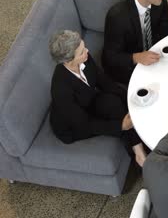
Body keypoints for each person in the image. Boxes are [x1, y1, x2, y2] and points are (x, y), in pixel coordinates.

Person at [49, 30, 147, 167]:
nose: (87, 51)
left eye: (84, 47)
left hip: (86, 103)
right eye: (82, 52)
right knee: (119, 121)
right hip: (72, 126)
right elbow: (84, 123)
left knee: (114, 103)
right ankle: (139, 157)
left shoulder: (85, 59)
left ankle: (138, 148)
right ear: (68, 60)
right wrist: (120, 126)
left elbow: (105, 82)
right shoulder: (60, 89)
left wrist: (131, 99)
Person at [102, 0, 168, 85]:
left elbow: (166, 29)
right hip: (129, 66)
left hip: (154, 56)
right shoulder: (117, 17)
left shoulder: (160, 0)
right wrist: (137, 57)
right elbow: (110, 57)